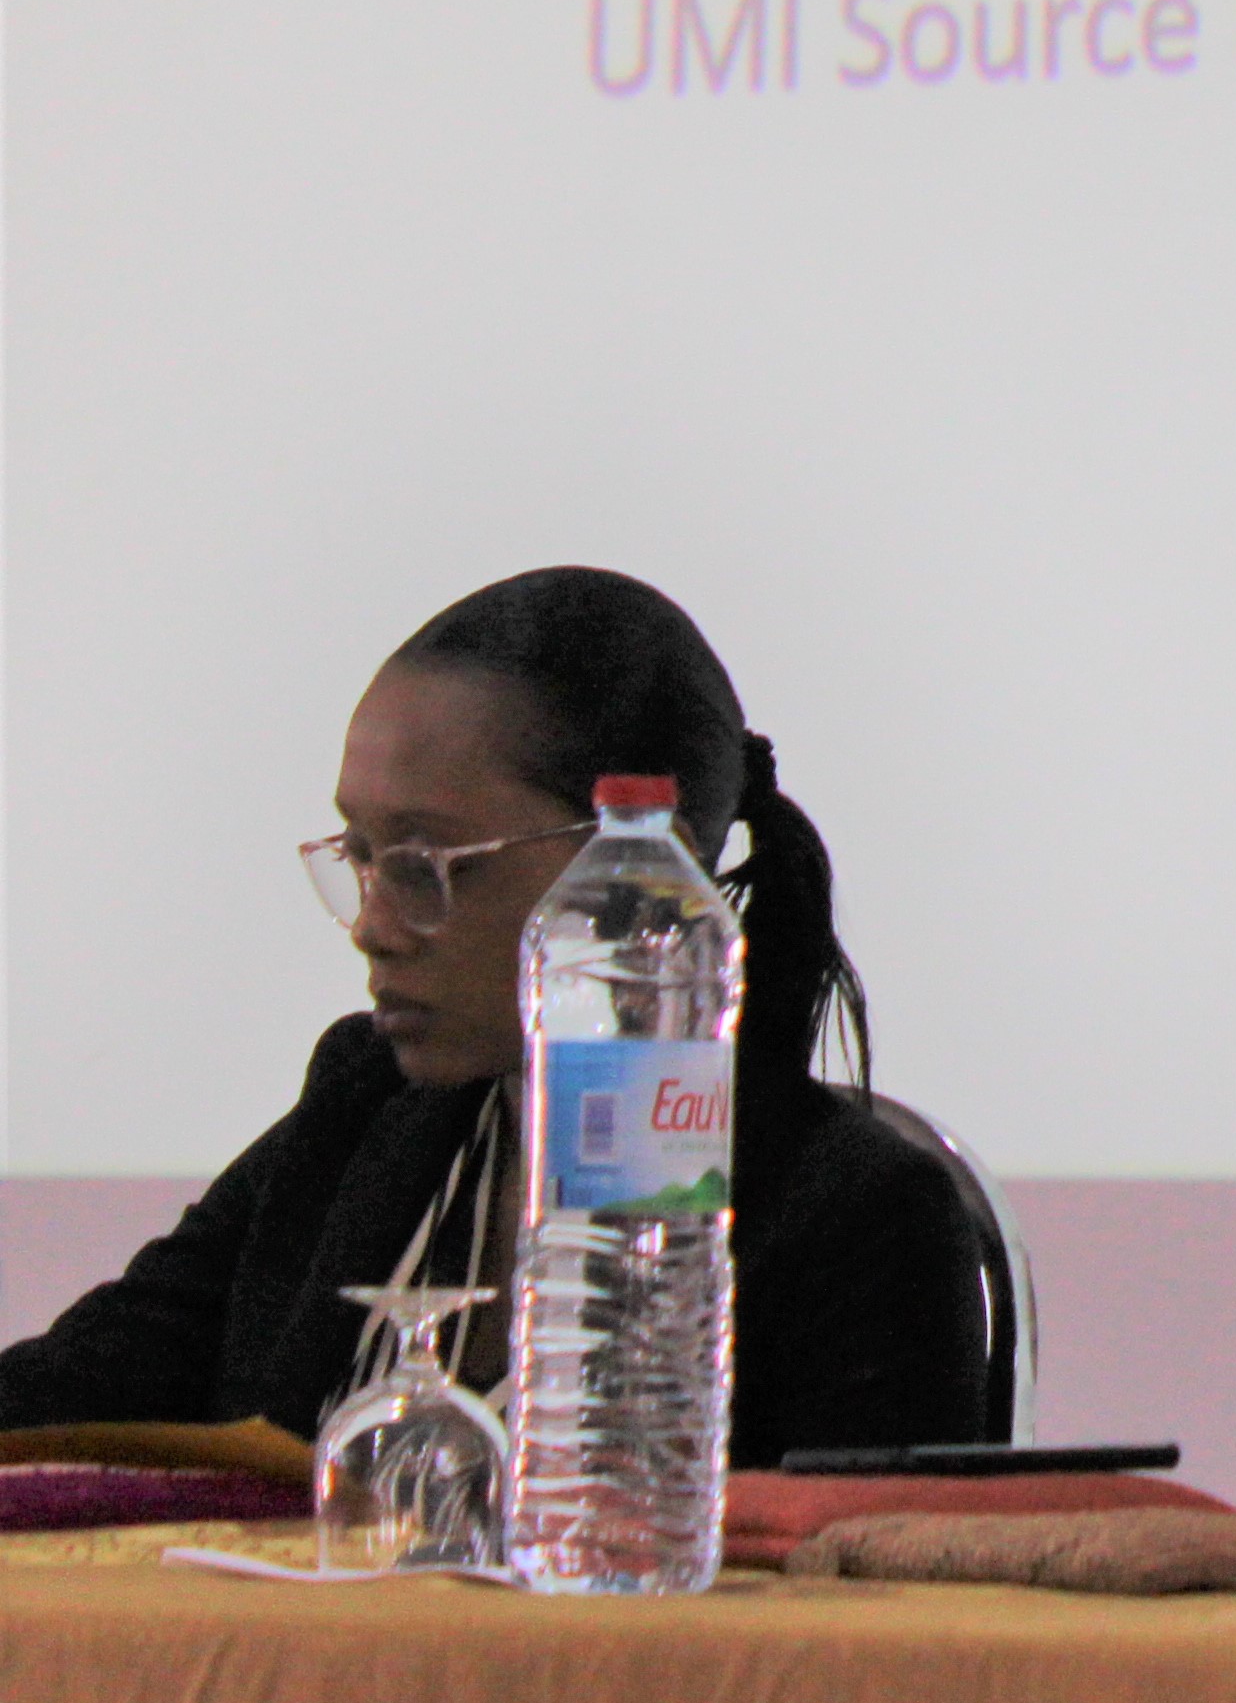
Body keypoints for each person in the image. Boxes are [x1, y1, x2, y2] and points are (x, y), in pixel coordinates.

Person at [0, 565, 1003, 1459]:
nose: (374, 927)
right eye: (360, 857)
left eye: (428, 865)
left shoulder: (856, 1216)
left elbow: (862, 1591)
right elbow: (74, 1390)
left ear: (636, 871)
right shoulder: (365, 1103)